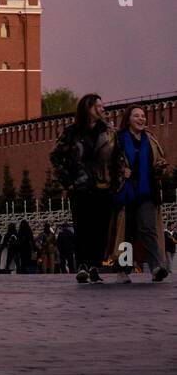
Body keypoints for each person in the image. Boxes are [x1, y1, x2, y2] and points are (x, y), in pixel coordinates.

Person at [51, 93, 113, 284]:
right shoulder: (72, 132)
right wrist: (67, 182)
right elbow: (55, 157)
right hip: (80, 188)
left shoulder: (108, 131)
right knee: (83, 227)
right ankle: (83, 266)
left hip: (103, 187)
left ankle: (94, 266)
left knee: (101, 229)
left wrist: (116, 181)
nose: (103, 109)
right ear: (88, 108)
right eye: (99, 106)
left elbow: (118, 158)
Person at [108, 104, 170, 283]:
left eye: (143, 116)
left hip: (146, 191)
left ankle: (157, 267)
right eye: (137, 116)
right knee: (126, 233)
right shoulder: (118, 139)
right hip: (125, 192)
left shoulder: (150, 139)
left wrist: (159, 169)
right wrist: (121, 173)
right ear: (128, 119)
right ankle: (123, 271)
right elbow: (109, 165)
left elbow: (159, 159)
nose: (141, 119)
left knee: (148, 229)